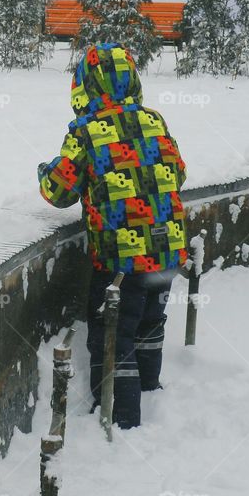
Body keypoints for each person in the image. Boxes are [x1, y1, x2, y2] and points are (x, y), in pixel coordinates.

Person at [37, 42, 187, 429]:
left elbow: (59, 191)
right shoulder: (155, 120)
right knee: (150, 321)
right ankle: (150, 389)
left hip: (121, 261)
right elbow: (178, 172)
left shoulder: (86, 131)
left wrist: (45, 170)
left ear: (84, 87)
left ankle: (120, 419)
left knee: (114, 334)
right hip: (167, 251)